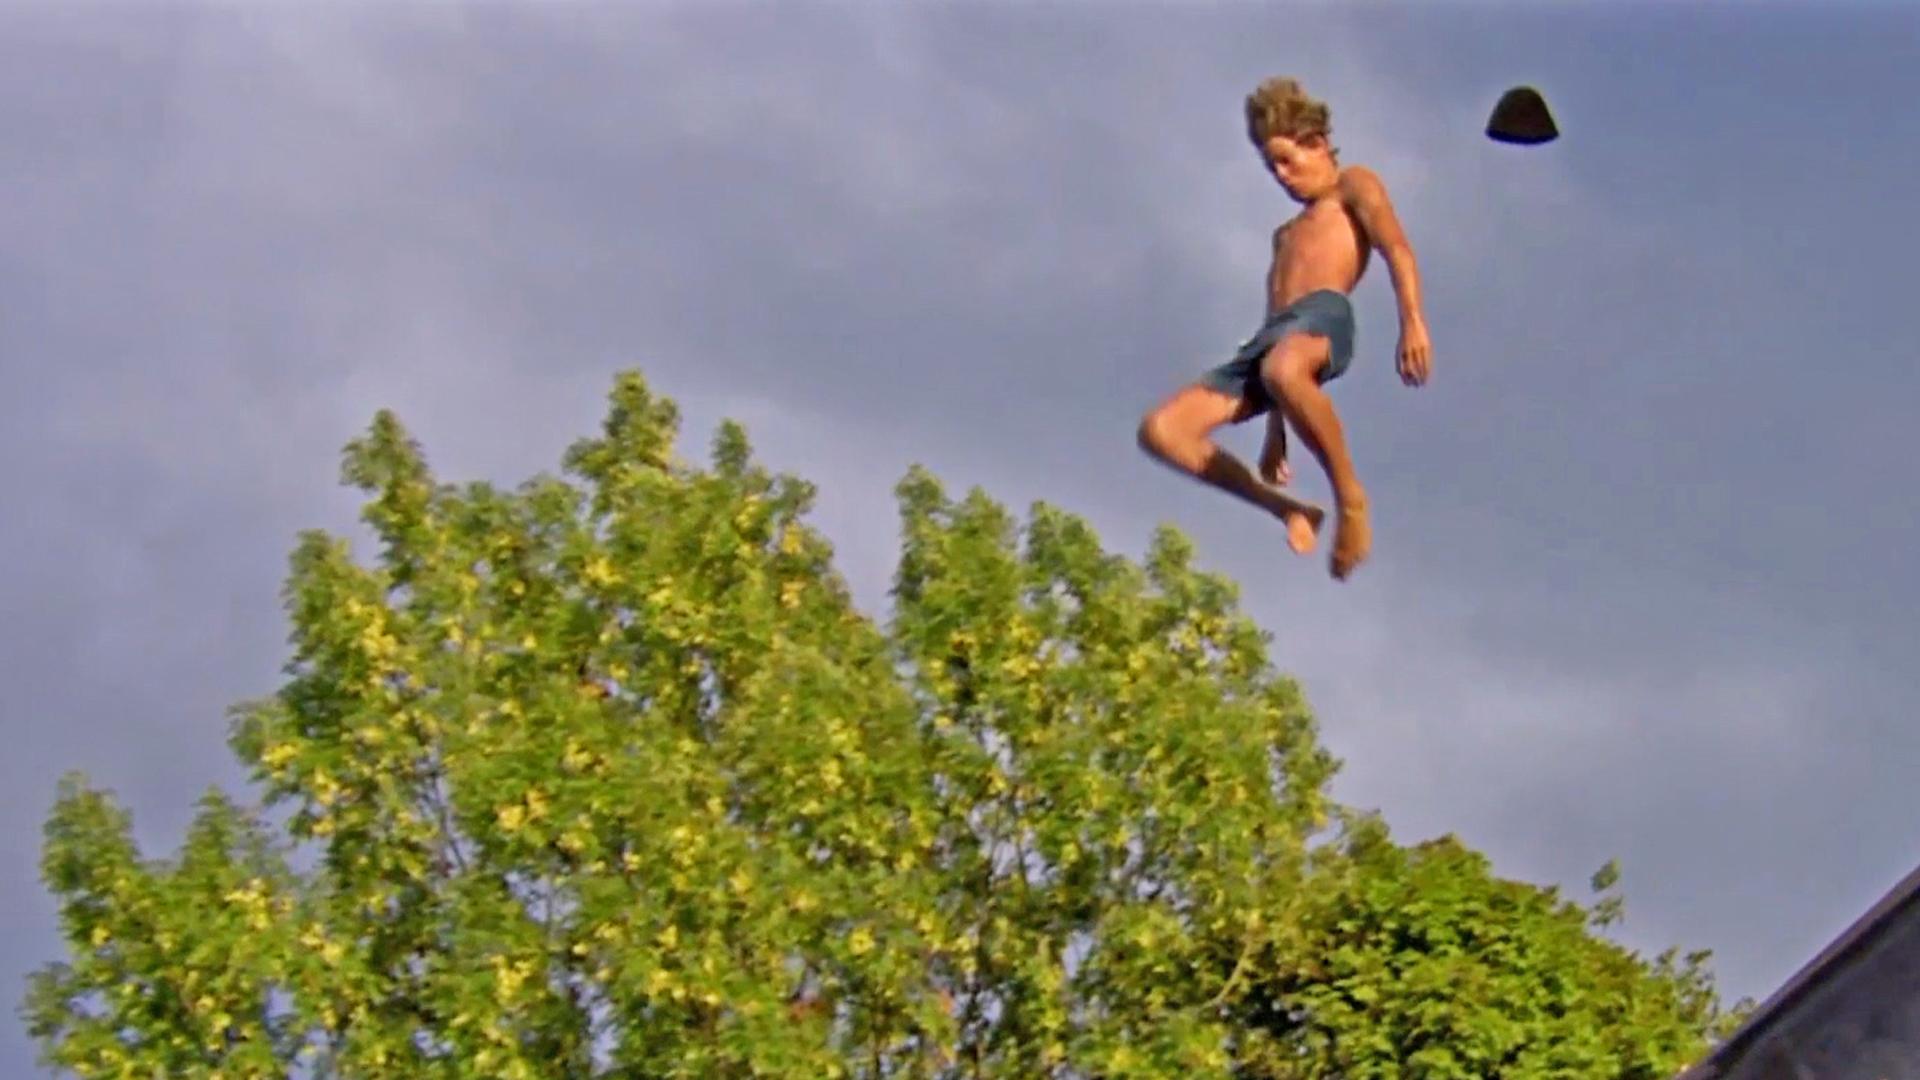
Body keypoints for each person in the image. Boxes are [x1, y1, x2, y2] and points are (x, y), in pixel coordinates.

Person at [1136, 76, 1432, 580]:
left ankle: (1350, 501)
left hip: (1323, 313)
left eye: (1287, 160)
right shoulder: (1285, 236)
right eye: (1271, 167)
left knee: (1285, 366)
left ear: (1316, 144)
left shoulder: (1354, 186)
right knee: (1162, 431)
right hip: (1273, 341)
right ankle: (1289, 509)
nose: (1281, 175)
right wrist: (1276, 432)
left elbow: (1396, 249)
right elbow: (1276, 333)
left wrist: (1413, 321)